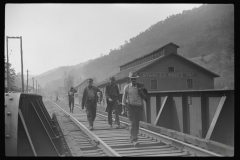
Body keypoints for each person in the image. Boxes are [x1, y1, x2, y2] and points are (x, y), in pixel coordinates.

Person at [122, 71, 148, 147]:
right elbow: (124, 99)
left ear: (136, 79)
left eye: (135, 79)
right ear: (130, 79)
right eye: (132, 79)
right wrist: (123, 109)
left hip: (139, 107)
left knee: (136, 124)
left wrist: (141, 92)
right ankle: (135, 140)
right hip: (130, 107)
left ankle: (132, 136)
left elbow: (146, 98)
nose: (134, 80)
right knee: (133, 123)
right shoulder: (127, 87)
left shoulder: (141, 86)